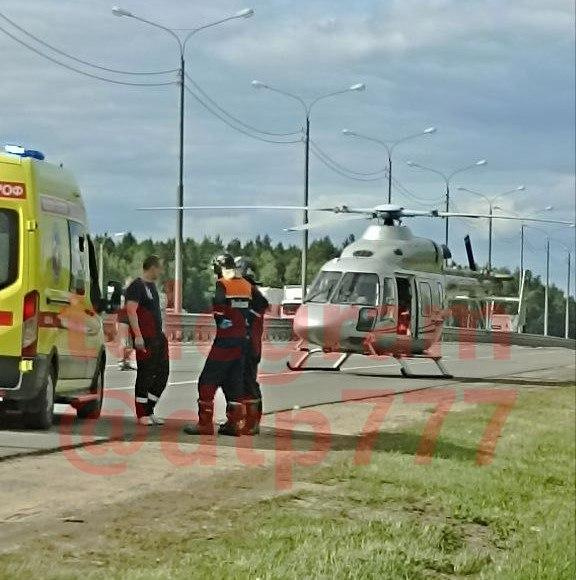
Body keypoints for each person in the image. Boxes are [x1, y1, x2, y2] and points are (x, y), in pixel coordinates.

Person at [184, 254, 255, 437]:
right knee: (234, 381)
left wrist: (223, 321)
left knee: (207, 380)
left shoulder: (223, 284)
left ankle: (205, 424)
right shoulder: (246, 285)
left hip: (225, 340)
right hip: (242, 340)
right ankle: (234, 424)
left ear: (219, 268)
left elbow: (219, 311)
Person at [125, 256, 169, 425]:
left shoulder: (152, 287)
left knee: (163, 373)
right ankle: (142, 413)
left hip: (158, 336)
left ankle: (150, 409)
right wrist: (137, 335)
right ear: (152, 267)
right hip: (145, 338)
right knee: (145, 374)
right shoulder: (137, 286)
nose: (161, 271)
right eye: (160, 268)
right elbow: (131, 311)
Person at [234, 257, 269, 435]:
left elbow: (245, 319)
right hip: (243, 345)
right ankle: (242, 419)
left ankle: (252, 422)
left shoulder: (253, 296)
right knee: (239, 382)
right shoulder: (249, 293)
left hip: (249, 346)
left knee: (248, 383)